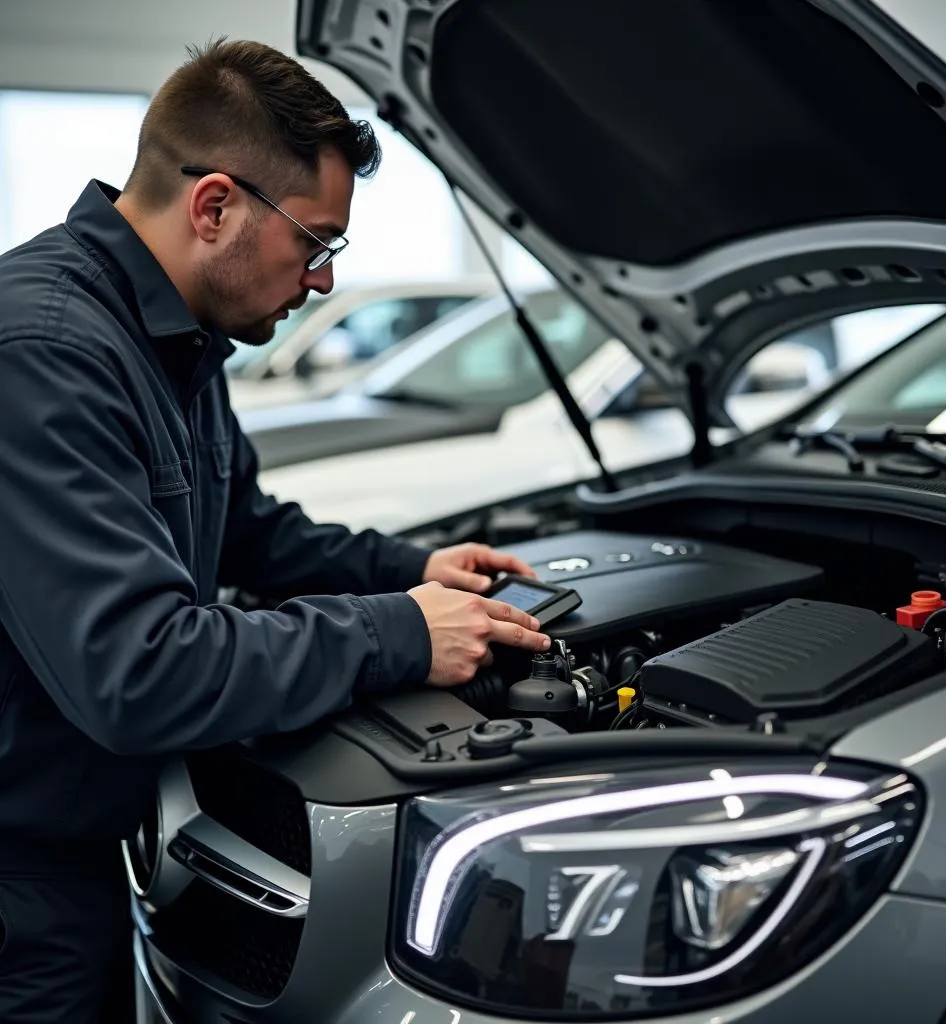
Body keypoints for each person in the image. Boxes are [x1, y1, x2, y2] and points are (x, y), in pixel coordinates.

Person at [0, 38, 551, 1023]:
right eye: (317, 242)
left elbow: (249, 531)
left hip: (92, 841)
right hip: (19, 881)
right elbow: (142, 670)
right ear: (214, 206)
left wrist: (412, 570)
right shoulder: (46, 352)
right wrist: (399, 631)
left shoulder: (169, 338)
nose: (324, 281)